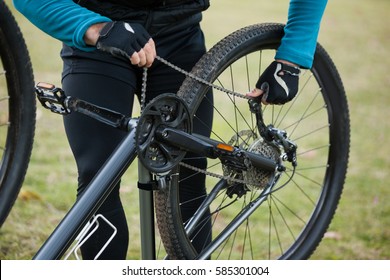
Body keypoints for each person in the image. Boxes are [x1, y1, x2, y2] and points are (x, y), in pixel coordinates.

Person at [13, 0, 328, 259]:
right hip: (99, 38)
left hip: (180, 36)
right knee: (98, 179)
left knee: (188, 178)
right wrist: (97, 28)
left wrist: (292, 57)